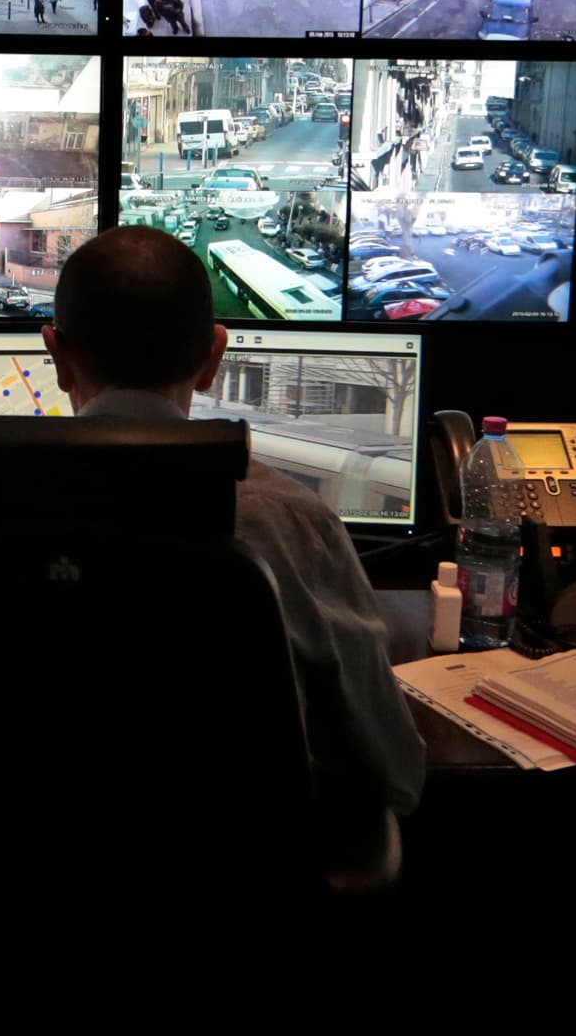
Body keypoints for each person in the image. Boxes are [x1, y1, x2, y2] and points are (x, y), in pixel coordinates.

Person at [42, 227, 426, 823]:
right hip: (237, 900)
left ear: (57, 356)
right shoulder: (294, 524)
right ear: (213, 358)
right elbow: (394, 773)